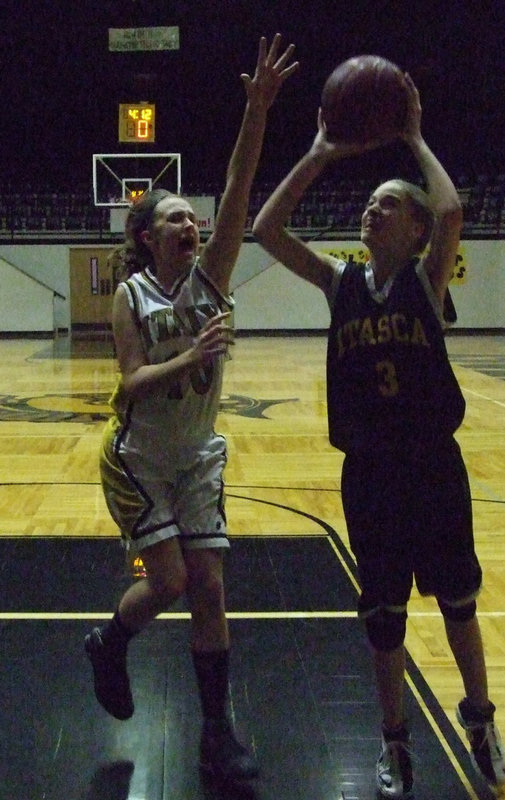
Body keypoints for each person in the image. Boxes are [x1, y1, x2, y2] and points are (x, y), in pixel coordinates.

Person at [253, 73, 505, 798]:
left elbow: (451, 207)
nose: (371, 210)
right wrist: (318, 154)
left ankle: (480, 719)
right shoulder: (340, 284)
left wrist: (414, 138)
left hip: (433, 466)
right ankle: (394, 743)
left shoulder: (426, 282)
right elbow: (266, 231)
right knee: (382, 619)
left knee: (459, 604)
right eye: (369, 204)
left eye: (387, 205)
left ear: (417, 229)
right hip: (367, 473)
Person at [85, 34, 298, 782]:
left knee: (209, 586)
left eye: (193, 217)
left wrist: (257, 110)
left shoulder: (211, 279)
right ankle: (108, 643)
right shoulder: (130, 294)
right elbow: (131, 383)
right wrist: (192, 359)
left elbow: (240, 185)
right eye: (175, 219)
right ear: (147, 238)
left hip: (196, 456)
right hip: (138, 460)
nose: (192, 223)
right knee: (171, 581)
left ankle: (217, 731)